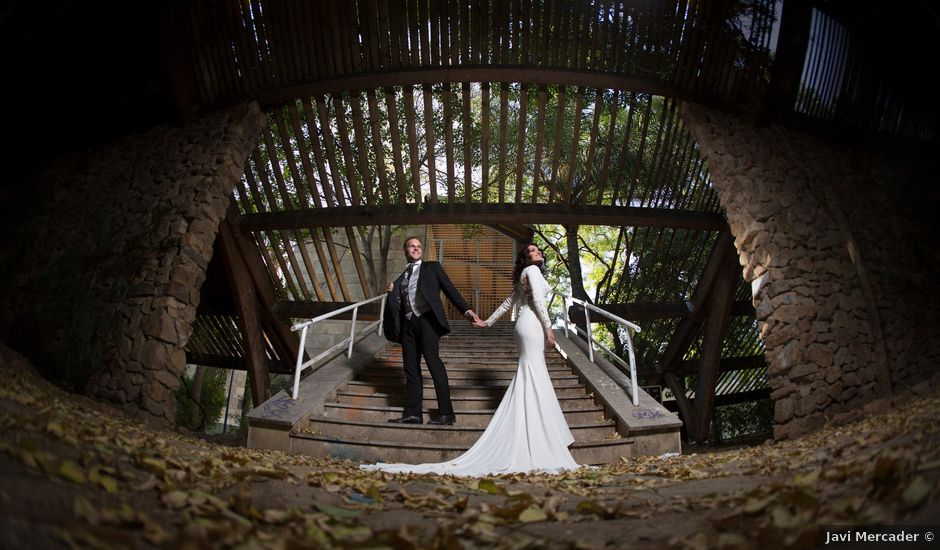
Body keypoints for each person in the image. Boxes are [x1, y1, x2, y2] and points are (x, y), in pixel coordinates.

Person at [363, 243, 579, 476]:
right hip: (531, 325)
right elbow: (534, 299)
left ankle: (454, 414)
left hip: (449, 322)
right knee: (533, 372)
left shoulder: (433, 267)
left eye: (538, 250)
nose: (539, 253)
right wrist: (548, 327)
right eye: (534, 251)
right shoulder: (533, 272)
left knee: (529, 373)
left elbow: (487, 297)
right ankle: (542, 431)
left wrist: (479, 317)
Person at [382, 236, 481, 425]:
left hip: (427, 319)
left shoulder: (432, 267)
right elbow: (397, 305)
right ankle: (413, 414)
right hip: (407, 325)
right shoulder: (400, 278)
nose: (416, 249)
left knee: (434, 363)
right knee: (410, 368)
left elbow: (450, 289)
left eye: (419, 246)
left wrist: (466, 310)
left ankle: (446, 413)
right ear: (405, 250)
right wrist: (391, 294)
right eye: (412, 246)